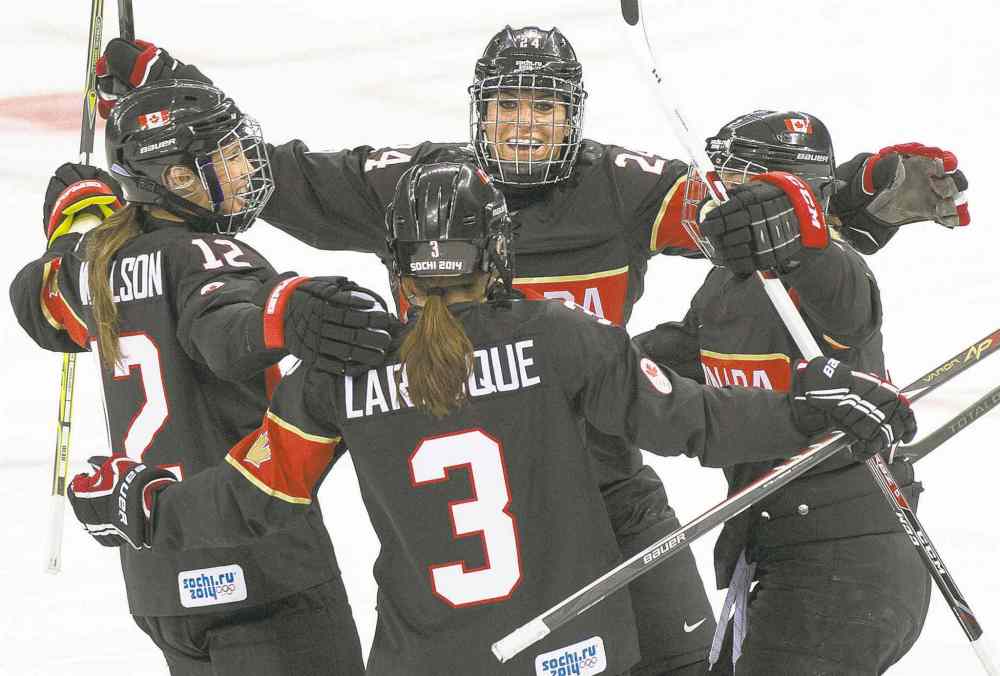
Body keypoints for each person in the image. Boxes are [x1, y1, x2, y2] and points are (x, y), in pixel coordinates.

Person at [89, 28, 965, 675]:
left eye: (544, 105)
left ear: (573, 116)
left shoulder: (619, 187)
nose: (523, 124)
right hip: (526, 497)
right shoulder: (430, 201)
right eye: (507, 103)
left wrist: (846, 198)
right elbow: (272, 174)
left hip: (603, 488)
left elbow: (740, 218)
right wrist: (175, 104)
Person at [9, 79, 400, 675]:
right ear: (177, 179)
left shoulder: (96, 262)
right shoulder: (209, 256)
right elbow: (223, 335)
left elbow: (36, 302)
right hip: (261, 573)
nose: (244, 169)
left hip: (159, 577)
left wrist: (78, 219)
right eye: (224, 158)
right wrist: (288, 314)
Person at [635, 110, 960, 674]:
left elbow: (848, 304)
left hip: (848, 567)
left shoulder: (828, 271)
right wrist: (571, 357)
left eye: (736, 185)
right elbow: (670, 359)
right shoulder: (725, 287)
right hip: (778, 555)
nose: (717, 199)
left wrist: (802, 232)